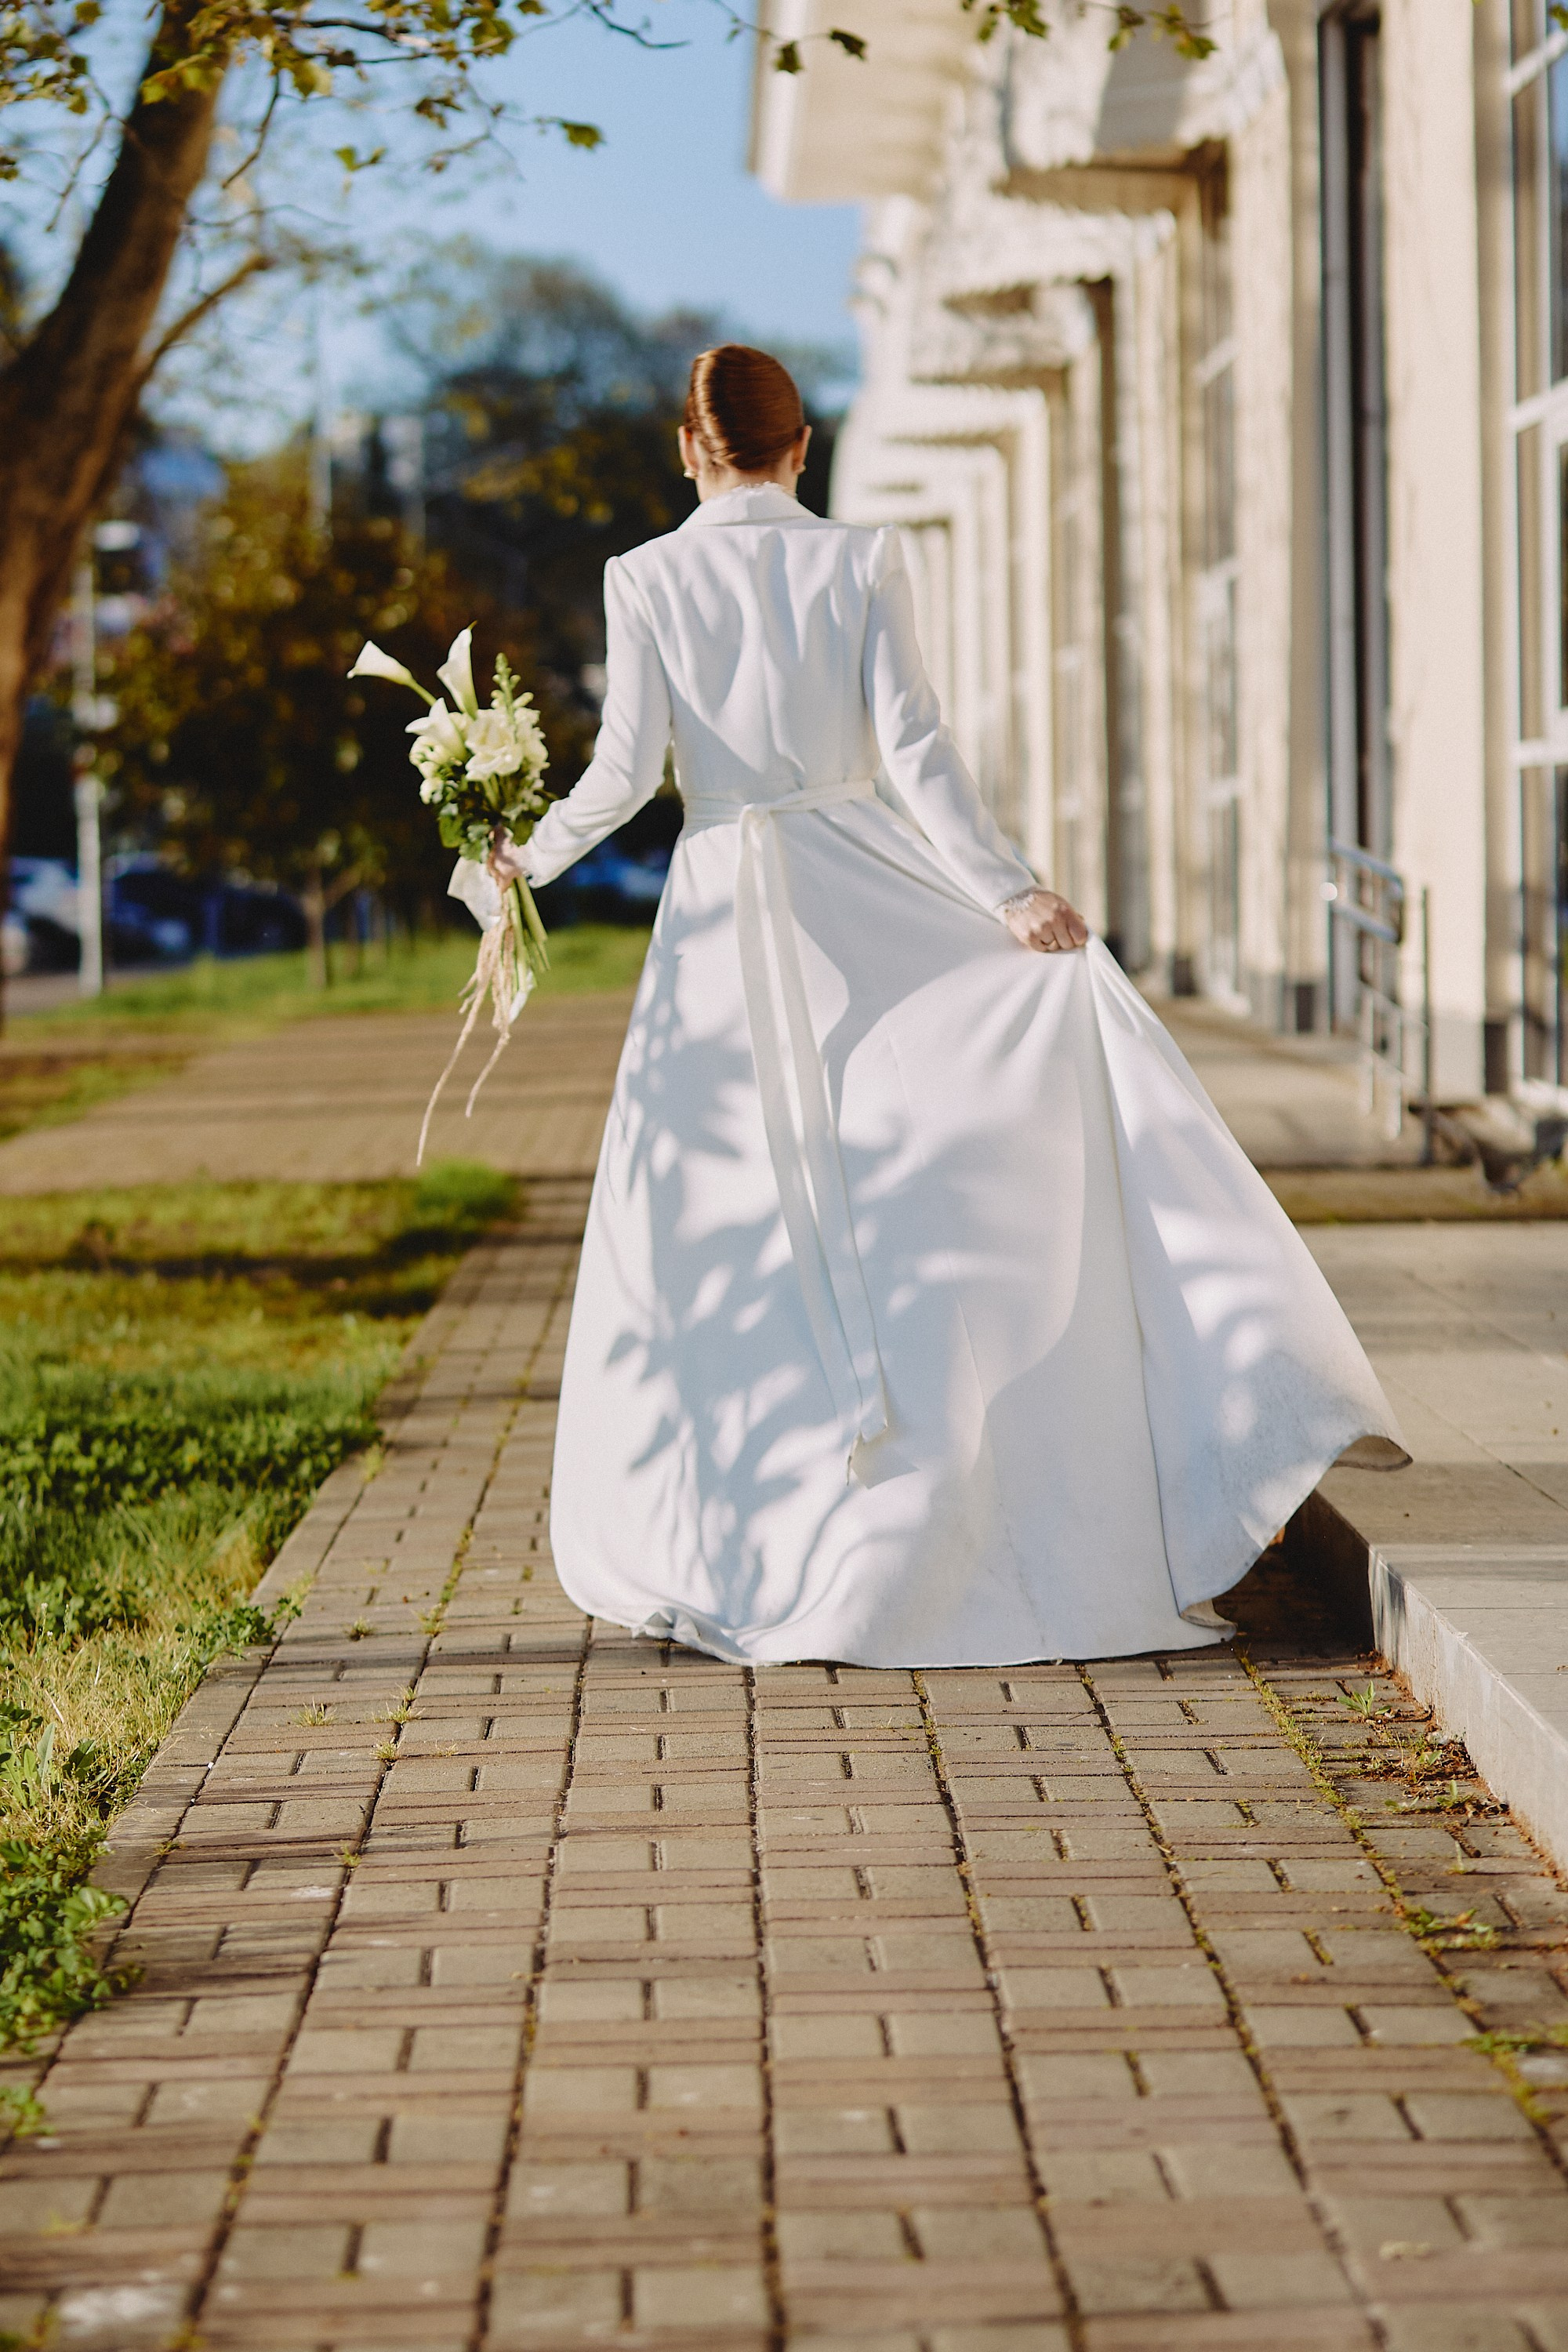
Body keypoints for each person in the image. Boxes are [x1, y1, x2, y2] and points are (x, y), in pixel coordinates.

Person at [462, 342, 1406, 1669]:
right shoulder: (861, 560)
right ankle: (942, 1493)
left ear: (689, 452)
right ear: (805, 451)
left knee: (728, 1209)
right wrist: (1012, 897)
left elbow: (621, 775)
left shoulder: (645, 575)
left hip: (725, 912)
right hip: (860, 886)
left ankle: (749, 1530)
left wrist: (518, 862)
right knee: (893, 1183)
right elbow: (915, 750)